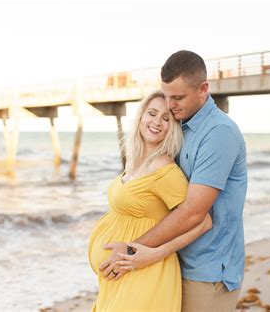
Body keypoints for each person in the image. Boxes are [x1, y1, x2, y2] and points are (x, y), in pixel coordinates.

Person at [101, 51, 248, 312]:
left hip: (207, 270)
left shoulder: (218, 134)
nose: (169, 104)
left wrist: (133, 250)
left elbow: (194, 213)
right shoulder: (181, 126)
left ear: (203, 89)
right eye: (166, 95)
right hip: (174, 260)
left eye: (177, 97)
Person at [88, 90, 213, 311]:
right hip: (122, 274)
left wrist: (156, 253)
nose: (157, 122)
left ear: (172, 127)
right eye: (152, 113)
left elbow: (203, 221)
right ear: (141, 117)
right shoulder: (134, 162)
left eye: (166, 118)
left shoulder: (163, 168)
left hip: (145, 273)